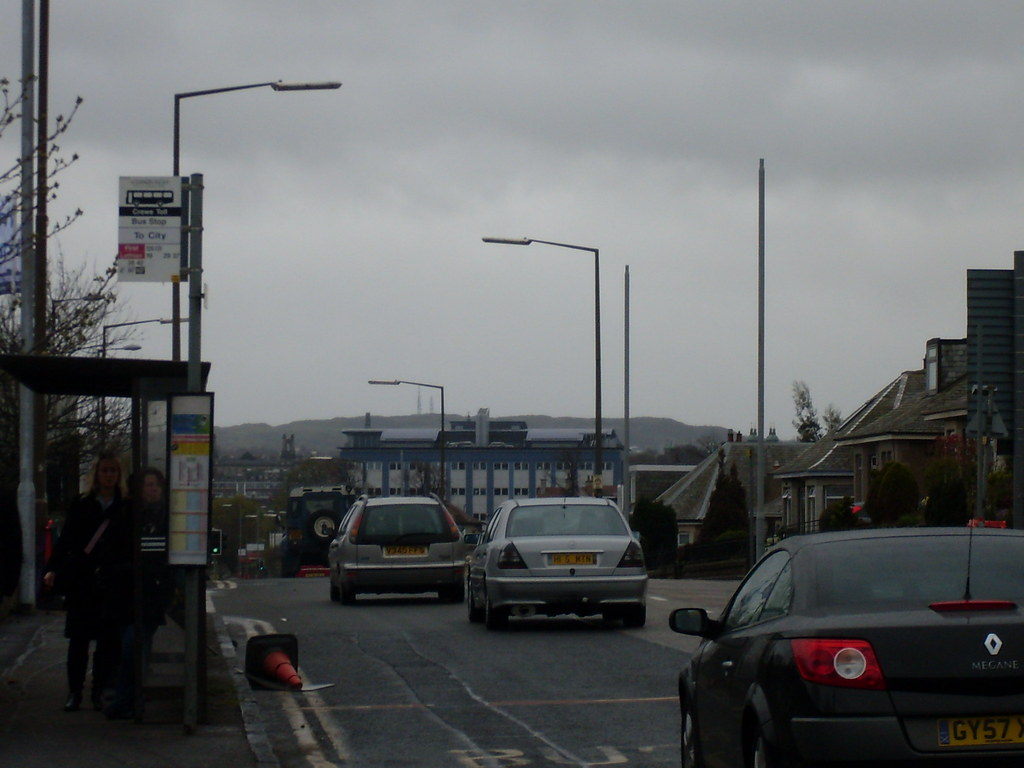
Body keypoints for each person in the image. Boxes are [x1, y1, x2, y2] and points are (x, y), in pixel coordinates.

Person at [43, 452, 128, 712]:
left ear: (119, 474)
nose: (109, 475)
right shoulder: (81, 503)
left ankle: (98, 691)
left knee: (106, 642)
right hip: (83, 580)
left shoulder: (125, 505)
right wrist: (53, 569)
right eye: (104, 470)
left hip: (111, 581)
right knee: (78, 641)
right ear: (96, 474)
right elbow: (67, 539)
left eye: (113, 470)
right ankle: (75, 691)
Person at [104, 467, 170, 720]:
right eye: (147, 485)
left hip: (152, 594)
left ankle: (126, 698)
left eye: (155, 485)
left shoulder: (167, 517)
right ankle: (131, 696)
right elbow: (113, 552)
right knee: (132, 647)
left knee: (135, 646)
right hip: (126, 592)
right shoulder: (125, 515)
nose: (152, 489)